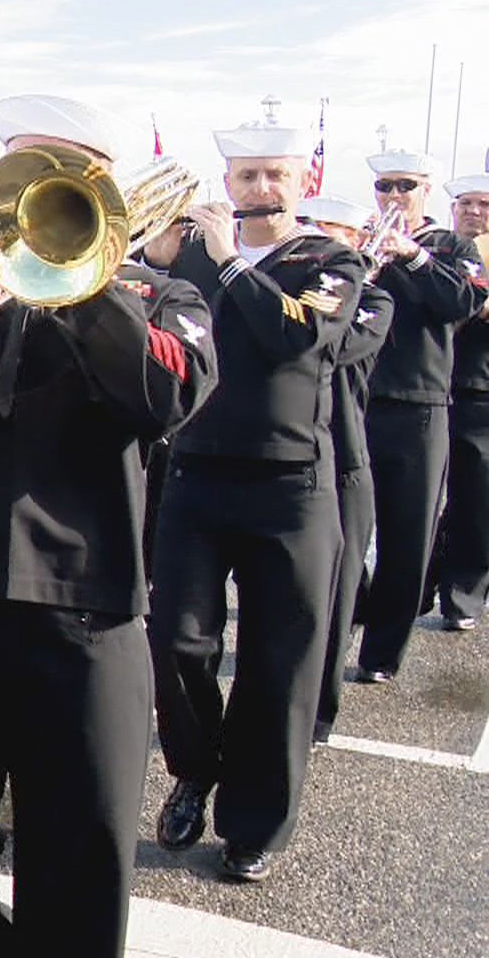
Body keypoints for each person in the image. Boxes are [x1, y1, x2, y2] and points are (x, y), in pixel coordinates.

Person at [0, 95, 217, 955]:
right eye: (22, 168)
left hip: (85, 613)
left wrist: (86, 282)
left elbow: (172, 395)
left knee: (80, 861)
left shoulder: (157, 294)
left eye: (55, 172)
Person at [144, 117, 364, 884]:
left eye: (275, 175)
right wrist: (154, 262)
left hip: (290, 484)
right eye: (246, 177)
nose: (260, 189)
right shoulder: (196, 256)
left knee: (281, 661)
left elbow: (297, 338)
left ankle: (254, 824)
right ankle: (195, 768)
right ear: (227, 183)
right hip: (198, 473)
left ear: (302, 182)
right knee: (176, 640)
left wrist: (232, 265)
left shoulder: (331, 260)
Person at [353, 149, 476, 680]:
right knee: (340, 531)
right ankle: (349, 613)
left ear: (426, 190)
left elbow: (462, 302)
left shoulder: (452, 245)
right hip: (356, 399)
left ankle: (381, 654)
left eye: (405, 186)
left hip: (419, 404)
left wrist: (411, 256)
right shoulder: (358, 238)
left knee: (407, 538)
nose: (394, 196)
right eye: (385, 186)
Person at [295, 195, 395, 743]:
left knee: (332, 601)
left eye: (329, 234)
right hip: (293, 458)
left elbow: (323, 348)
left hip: (343, 460)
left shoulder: (374, 301)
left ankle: (318, 714)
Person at [429, 173, 489, 632]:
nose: (474, 211)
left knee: (474, 499)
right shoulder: (432, 250)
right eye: (465, 203)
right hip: (422, 389)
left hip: (477, 388)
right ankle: (415, 584)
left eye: (484, 204)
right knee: (416, 502)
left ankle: (463, 593)